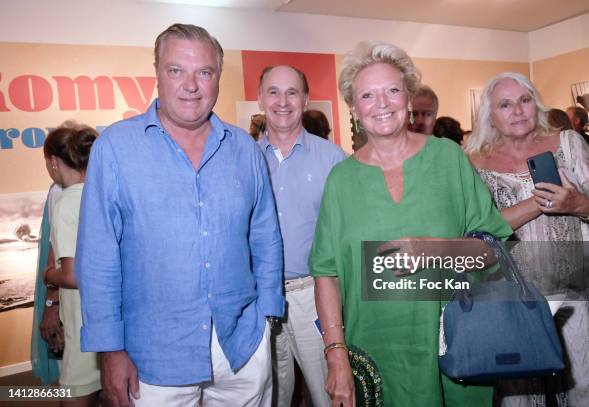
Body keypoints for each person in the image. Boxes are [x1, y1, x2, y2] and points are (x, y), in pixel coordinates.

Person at [75, 23, 283, 406]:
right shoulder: (116, 149)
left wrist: (268, 315)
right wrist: (110, 350)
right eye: (176, 71)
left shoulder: (245, 150)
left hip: (241, 347)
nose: (191, 85)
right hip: (153, 358)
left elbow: (265, 236)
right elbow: (98, 257)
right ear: (156, 72)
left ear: (218, 76)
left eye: (204, 72)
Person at [309, 41, 512, 407]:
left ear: (408, 98)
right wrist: (335, 354)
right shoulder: (340, 180)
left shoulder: (448, 158)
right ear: (354, 109)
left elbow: (492, 248)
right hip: (375, 350)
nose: (382, 103)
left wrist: (434, 250)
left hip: (456, 345)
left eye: (392, 90)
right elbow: (326, 274)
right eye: (367, 95)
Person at [466, 71, 589, 407]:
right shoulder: (473, 162)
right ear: (490, 113)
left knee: (582, 385)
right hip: (510, 293)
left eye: (525, 100)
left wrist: (580, 205)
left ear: (537, 105)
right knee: (519, 391)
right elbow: (480, 230)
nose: (517, 110)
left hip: (571, 285)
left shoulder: (568, 143)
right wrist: (538, 203)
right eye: (505, 104)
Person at [257, 65, 345, 407]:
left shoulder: (333, 159)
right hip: (261, 299)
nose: (282, 101)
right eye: (273, 92)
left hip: (315, 296)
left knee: (329, 393)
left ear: (305, 99)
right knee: (271, 397)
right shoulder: (243, 158)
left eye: (292, 92)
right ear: (261, 98)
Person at [42, 123, 100, 405]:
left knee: (75, 395)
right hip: (107, 319)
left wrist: (49, 275)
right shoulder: (101, 196)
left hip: (81, 323)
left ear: (54, 162)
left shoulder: (66, 204)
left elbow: (74, 275)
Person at [31, 182, 63, 385]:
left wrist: (51, 305)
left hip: (71, 305)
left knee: (76, 384)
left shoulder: (60, 193)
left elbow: (57, 255)